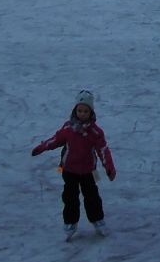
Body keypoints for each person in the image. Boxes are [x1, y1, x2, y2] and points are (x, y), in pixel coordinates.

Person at [30, 90, 115, 239]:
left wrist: (109, 167)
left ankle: (97, 220)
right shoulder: (68, 129)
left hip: (89, 170)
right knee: (69, 197)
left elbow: (102, 150)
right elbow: (55, 140)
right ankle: (70, 222)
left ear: (91, 112)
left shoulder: (95, 132)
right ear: (75, 110)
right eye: (80, 110)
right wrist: (42, 147)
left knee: (92, 196)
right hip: (68, 169)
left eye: (86, 111)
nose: (82, 114)